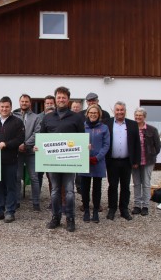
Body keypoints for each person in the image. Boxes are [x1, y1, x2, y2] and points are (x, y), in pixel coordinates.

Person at [39, 87, 85, 232]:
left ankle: (70, 218)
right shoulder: (47, 118)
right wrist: (37, 148)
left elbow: (81, 138)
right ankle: (56, 217)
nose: (61, 100)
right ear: (55, 99)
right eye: (58, 97)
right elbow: (42, 138)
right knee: (55, 191)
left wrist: (85, 146)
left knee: (70, 192)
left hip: (69, 162)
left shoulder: (77, 117)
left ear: (68, 99)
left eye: (63, 97)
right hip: (53, 162)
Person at [104, 101, 141, 221]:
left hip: (127, 161)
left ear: (125, 111)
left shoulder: (132, 124)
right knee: (112, 186)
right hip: (112, 161)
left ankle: (124, 209)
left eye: (122, 110)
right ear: (114, 111)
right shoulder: (107, 123)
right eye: (117, 110)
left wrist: (136, 160)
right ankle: (112, 209)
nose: (120, 112)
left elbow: (136, 144)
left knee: (125, 186)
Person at [78, 105, 110, 223]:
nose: (93, 114)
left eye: (95, 112)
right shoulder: (82, 126)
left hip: (98, 161)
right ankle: (86, 210)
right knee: (85, 188)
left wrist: (97, 158)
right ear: (87, 113)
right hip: (84, 161)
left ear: (99, 114)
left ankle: (95, 211)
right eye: (91, 112)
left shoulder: (104, 128)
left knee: (97, 188)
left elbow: (106, 145)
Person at [13, 94, 41, 211]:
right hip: (17, 151)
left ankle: (36, 202)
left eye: (26, 102)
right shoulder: (13, 116)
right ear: (19, 102)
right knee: (17, 177)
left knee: (34, 177)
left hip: (31, 152)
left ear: (30, 103)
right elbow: (12, 132)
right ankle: (16, 201)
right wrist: (18, 144)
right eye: (22, 101)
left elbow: (37, 133)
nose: (24, 103)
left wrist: (26, 144)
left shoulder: (36, 117)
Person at [132, 107, 161, 216]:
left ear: (144, 117)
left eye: (140, 115)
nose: (138, 117)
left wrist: (151, 156)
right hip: (135, 161)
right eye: (136, 115)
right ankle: (137, 205)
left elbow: (157, 146)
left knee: (146, 183)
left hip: (148, 160)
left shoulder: (152, 130)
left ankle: (145, 206)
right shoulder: (131, 128)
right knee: (136, 183)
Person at [37, 95, 56, 206]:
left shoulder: (58, 116)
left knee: (52, 177)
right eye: (47, 103)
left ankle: (53, 200)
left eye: (51, 103)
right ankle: (37, 198)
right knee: (38, 175)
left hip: (53, 152)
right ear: (44, 104)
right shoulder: (38, 117)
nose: (49, 105)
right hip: (40, 151)